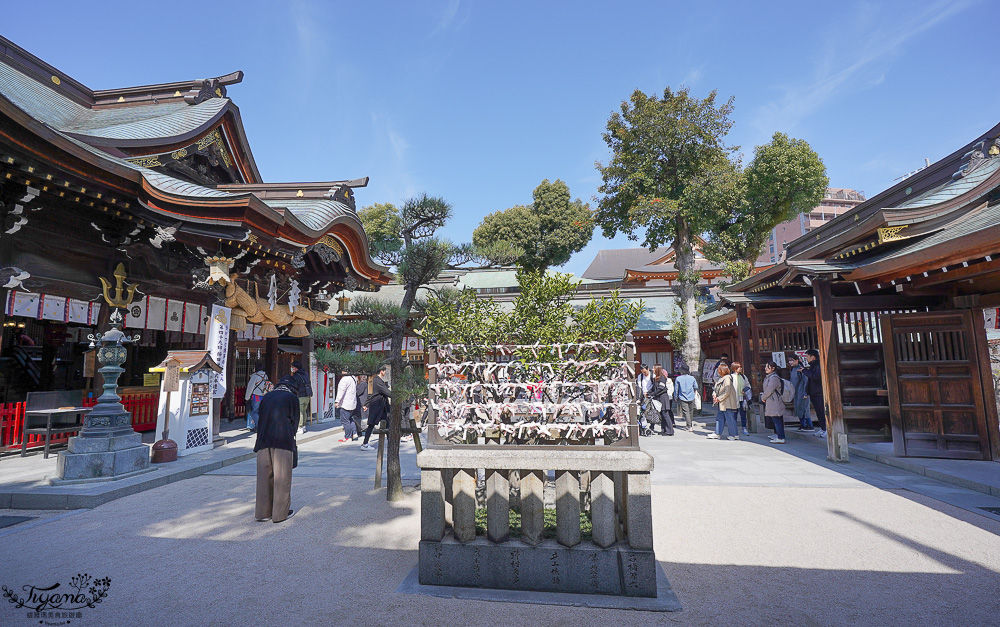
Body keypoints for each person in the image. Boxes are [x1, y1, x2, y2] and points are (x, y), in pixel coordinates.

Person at [253, 376, 299, 524]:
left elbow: (259, 416)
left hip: (263, 440)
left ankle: (262, 513)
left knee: (264, 477)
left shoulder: (266, 397)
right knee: (282, 477)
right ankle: (280, 514)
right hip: (283, 440)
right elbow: (295, 422)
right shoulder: (292, 398)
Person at [360, 364, 390, 451]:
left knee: (387, 422)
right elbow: (386, 392)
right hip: (377, 405)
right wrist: (396, 396)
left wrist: (366, 404)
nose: (385, 372)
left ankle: (390, 442)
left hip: (381, 405)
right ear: (382, 371)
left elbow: (372, 394)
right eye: (384, 371)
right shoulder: (377, 380)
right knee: (371, 424)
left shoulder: (377, 380)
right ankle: (365, 443)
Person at [707, 363, 739, 440]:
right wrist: (714, 394)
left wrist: (719, 398)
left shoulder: (727, 378)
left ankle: (733, 435)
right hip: (722, 402)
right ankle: (718, 433)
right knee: (720, 418)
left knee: (729, 419)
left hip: (727, 403)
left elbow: (727, 391)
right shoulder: (721, 378)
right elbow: (716, 388)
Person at [802, 348, 827, 438]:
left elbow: (815, 376)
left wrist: (804, 371)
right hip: (814, 392)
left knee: (822, 411)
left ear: (813, 357)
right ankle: (823, 428)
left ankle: (827, 429)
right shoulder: (813, 365)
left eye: (807, 357)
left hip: (819, 392)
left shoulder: (819, 365)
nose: (806, 359)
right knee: (818, 412)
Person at [760, 361, 786, 444]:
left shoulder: (774, 378)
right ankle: (777, 434)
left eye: (768, 367)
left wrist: (763, 397)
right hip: (771, 400)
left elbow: (769, 390)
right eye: (766, 367)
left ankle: (781, 437)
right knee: (775, 419)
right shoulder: (769, 377)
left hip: (774, 401)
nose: (766, 368)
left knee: (777, 419)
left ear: (773, 368)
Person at [788, 355, 814, 432]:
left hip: (802, 391)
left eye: (792, 360)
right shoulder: (793, 369)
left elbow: (806, 381)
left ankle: (809, 425)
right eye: (789, 361)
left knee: (805, 409)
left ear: (797, 360)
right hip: (796, 392)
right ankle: (803, 425)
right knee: (798, 408)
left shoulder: (801, 369)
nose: (790, 362)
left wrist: (806, 393)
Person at [244, 362, 270, 432]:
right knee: (260, 412)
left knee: (254, 412)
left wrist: (247, 397)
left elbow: (250, 387)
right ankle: (259, 425)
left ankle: (260, 426)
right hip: (263, 396)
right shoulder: (265, 376)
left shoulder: (255, 376)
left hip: (256, 396)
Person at [289, 361, 313, 435]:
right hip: (307, 395)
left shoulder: (296, 376)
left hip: (300, 396)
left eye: (292, 367)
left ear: (296, 368)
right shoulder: (305, 374)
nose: (292, 369)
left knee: (300, 412)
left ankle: (300, 427)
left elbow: (295, 386)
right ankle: (304, 426)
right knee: (304, 411)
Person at [649, 364, 674, 436]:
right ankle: (664, 430)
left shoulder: (662, 378)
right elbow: (653, 387)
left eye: (653, 368)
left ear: (657, 369)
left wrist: (653, 393)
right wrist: (649, 393)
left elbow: (661, 388)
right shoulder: (655, 378)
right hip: (658, 398)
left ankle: (670, 431)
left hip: (663, 397)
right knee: (661, 415)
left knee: (665, 414)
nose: (652, 370)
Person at [335, 369, 358, 442]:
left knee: (345, 421)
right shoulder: (353, 378)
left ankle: (347, 436)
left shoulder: (344, 379)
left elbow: (341, 391)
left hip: (345, 403)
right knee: (350, 419)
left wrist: (337, 401)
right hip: (352, 402)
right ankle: (354, 433)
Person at [673, 364, 698, 431]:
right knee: (690, 411)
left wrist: (675, 396)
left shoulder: (678, 378)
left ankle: (689, 425)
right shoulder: (692, 378)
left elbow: (676, 389)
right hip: (691, 396)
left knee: (686, 411)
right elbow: (696, 386)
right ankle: (690, 424)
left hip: (682, 396)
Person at [731, 362, 752, 435]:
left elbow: (748, 385)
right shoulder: (731, 377)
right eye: (739, 367)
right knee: (734, 415)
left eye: (740, 367)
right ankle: (734, 428)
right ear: (735, 368)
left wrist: (745, 390)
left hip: (742, 398)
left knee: (743, 414)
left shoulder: (743, 377)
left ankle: (744, 428)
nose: (740, 368)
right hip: (734, 398)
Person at [353, 374, 369, 440]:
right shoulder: (364, 384)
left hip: (361, 403)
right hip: (361, 402)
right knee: (359, 417)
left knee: (359, 417)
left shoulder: (363, 384)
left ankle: (360, 430)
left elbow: (358, 392)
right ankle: (359, 431)